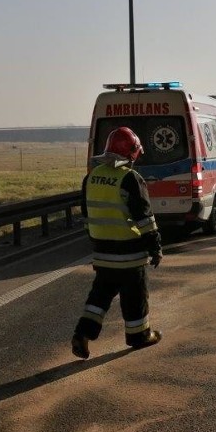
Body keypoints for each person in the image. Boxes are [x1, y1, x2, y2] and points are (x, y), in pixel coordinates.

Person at [71, 126, 163, 359]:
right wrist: (155, 248)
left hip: (103, 253)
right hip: (129, 253)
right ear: (132, 153)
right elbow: (145, 219)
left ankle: (82, 334)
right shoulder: (130, 178)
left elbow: (87, 213)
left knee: (99, 298)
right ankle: (139, 336)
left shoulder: (91, 177)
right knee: (135, 297)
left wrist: (96, 241)